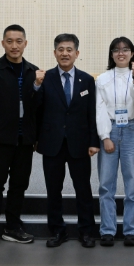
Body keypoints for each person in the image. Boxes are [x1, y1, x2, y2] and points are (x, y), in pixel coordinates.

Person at [33, 33, 100, 248]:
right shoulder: (45, 78)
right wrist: (36, 86)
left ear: (77, 53)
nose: (65, 53)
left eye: (69, 50)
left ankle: (86, 231)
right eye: (60, 49)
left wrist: (94, 141)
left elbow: (92, 113)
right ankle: (57, 231)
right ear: (54, 53)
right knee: (53, 190)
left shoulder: (87, 80)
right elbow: (36, 109)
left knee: (83, 189)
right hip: (52, 143)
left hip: (79, 143)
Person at [0, 25, 39, 249]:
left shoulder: (33, 71)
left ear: (25, 44)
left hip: (25, 139)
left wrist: (36, 136)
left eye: (19, 41)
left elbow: (37, 107)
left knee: (19, 184)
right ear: (3, 43)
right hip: (1, 137)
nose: (14, 46)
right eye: (10, 41)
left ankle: (13, 226)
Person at [95, 37, 134, 247]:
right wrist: (105, 136)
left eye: (125, 49)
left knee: (132, 183)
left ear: (132, 53)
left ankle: (131, 230)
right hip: (110, 128)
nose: (121, 53)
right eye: (116, 50)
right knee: (106, 184)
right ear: (111, 54)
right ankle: (107, 229)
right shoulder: (102, 79)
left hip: (131, 130)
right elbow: (99, 109)